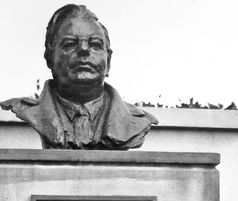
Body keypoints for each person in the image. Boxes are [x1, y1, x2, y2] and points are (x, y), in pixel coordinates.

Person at [0, 4, 157, 149]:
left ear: (108, 61)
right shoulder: (26, 111)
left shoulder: (138, 121)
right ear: (50, 58)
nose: (84, 50)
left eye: (95, 44)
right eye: (70, 44)